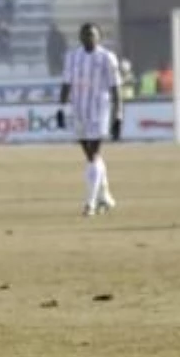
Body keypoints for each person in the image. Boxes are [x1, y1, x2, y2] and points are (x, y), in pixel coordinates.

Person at [55, 23, 122, 217]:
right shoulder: (72, 57)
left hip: (99, 110)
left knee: (93, 154)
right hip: (79, 110)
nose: (88, 38)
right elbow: (66, 83)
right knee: (91, 157)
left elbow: (115, 88)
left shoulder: (107, 58)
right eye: (85, 35)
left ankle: (90, 203)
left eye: (92, 35)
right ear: (80, 37)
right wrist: (60, 107)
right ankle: (106, 196)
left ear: (99, 37)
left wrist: (118, 115)